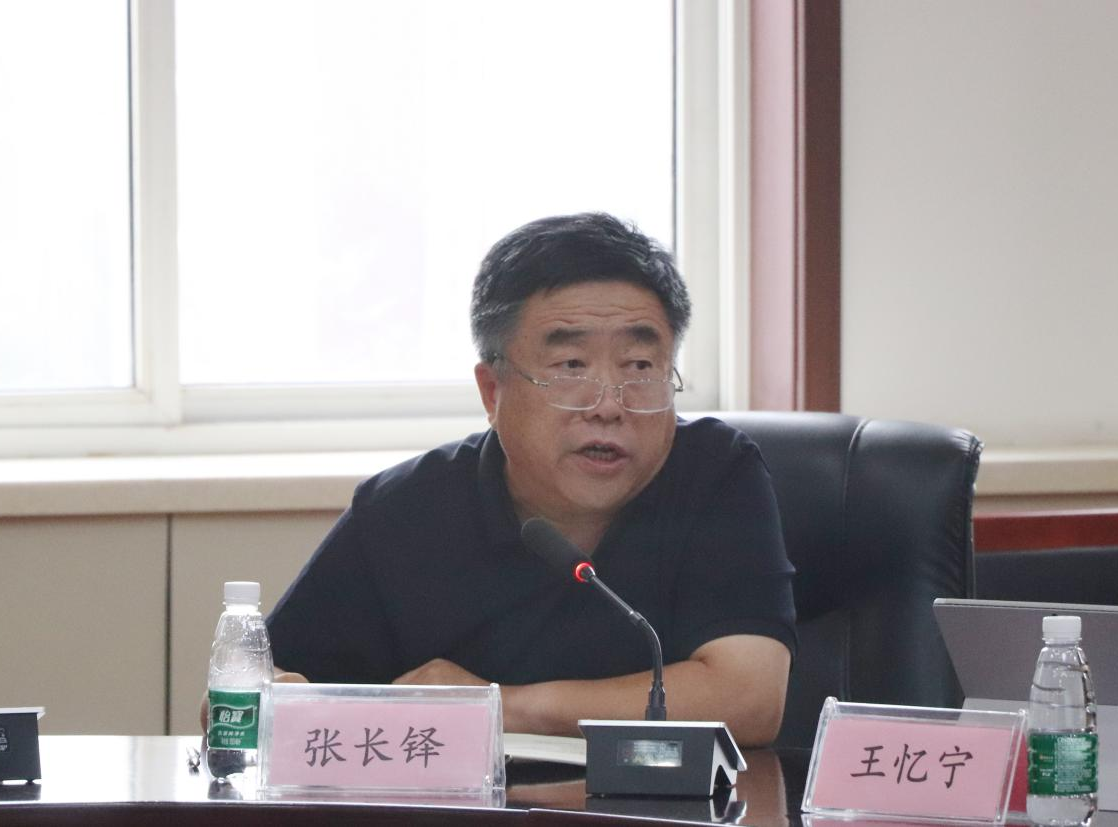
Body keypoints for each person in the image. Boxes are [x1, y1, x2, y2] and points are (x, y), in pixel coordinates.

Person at [266, 213, 796, 746]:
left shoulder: (714, 472)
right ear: (492, 392)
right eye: (570, 366)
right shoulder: (406, 509)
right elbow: (261, 685)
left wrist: (498, 706)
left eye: (640, 366)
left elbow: (749, 698)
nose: (608, 406)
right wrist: (279, 701)